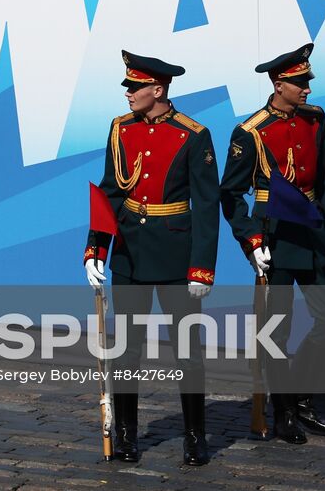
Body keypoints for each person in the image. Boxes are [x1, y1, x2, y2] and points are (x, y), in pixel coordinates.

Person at [84, 51, 219, 466]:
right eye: (127, 87)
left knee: (186, 351)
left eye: (134, 87)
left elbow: (207, 205)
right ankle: (125, 433)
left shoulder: (193, 135)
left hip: (177, 253)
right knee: (126, 350)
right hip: (130, 253)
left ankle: (195, 435)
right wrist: (96, 248)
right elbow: (110, 193)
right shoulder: (119, 129)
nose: (128, 94)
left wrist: (202, 267)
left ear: (157, 90)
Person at [219, 43, 325, 444]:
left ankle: (301, 398)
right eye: (300, 83)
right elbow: (230, 194)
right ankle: (283, 413)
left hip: (313, 232)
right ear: (280, 85)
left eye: (307, 81)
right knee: (276, 331)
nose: (307, 89)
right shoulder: (251, 131)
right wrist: (252, 240)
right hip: (274, 236)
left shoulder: (316, 120)